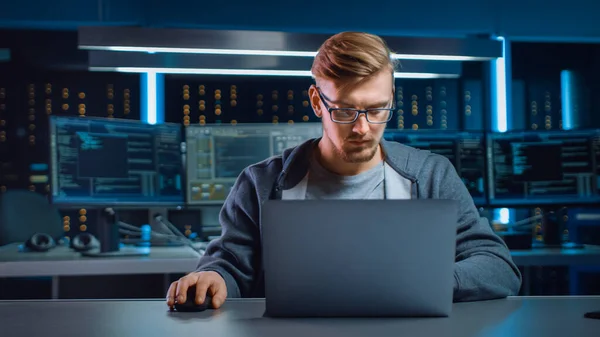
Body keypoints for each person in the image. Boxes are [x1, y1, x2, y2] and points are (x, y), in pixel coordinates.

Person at [166, 31, 522, 310]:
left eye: (377, 110)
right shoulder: (262, 183)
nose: (362, 128)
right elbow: (230, 265)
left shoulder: (431, 175)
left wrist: (428, 281)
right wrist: (212, 277)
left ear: (392, 99)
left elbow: (498, 267)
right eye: (345, 111)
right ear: (316, 101)